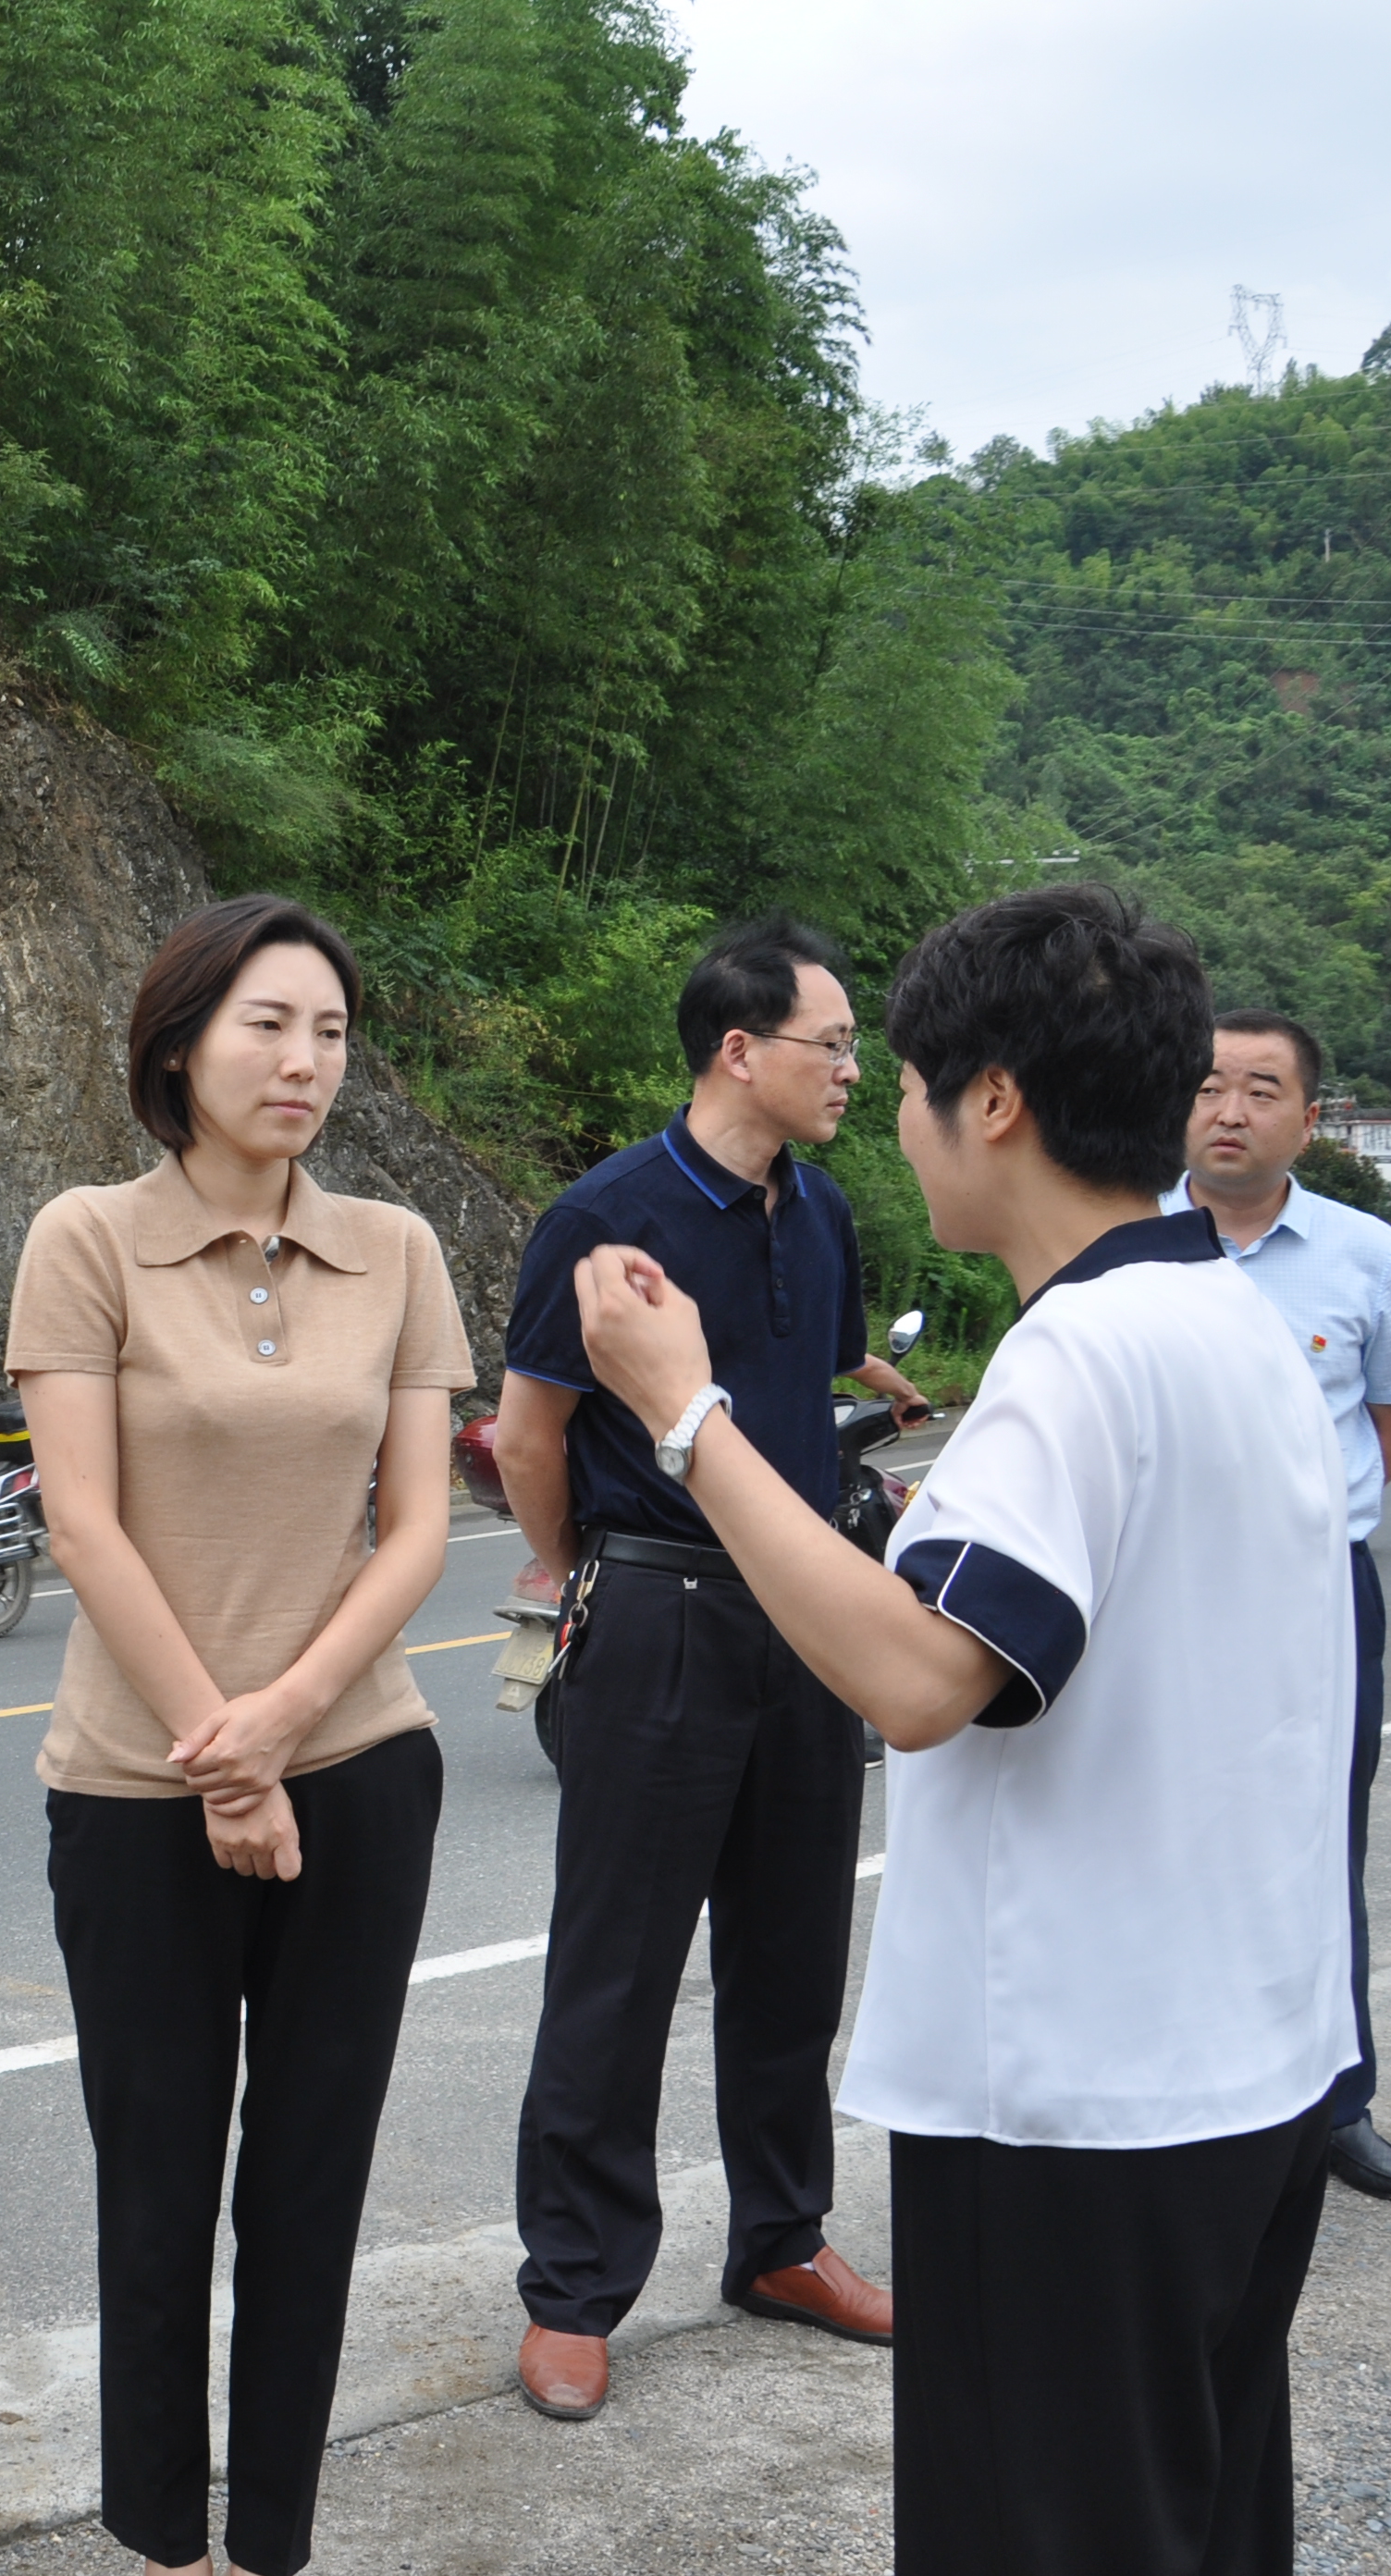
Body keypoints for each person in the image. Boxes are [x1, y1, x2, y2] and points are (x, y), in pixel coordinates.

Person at [570, 882, 1352, 2576]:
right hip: (1252, 2067)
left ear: (990, 1098)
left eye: (913, 1076)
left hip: (1076, 2102)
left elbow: (920, 1678)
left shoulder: (1077, 1352)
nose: (899, 1115)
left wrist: (684, 1414)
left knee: (1042, 2575)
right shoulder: (1232, 1324)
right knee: (1197, 2554)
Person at [6, 894, 474, 2576]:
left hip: (358, 1767)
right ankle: (169, 2561)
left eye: (330, 1032)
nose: (302, 1061)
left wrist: (284, 1724)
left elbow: (420, 1526)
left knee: (308, 2177)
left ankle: (268, 2557)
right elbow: (81, 1517)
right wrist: (222, 1752)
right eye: (267, 1024)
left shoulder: (398, 1249)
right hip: (134, 1788)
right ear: (178, 1044)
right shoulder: (88, 1239)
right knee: (155, 2178)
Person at [488, 914, 927, 2423]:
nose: (853, 1071)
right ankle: (572, 2286)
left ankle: (781, 2236)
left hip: (803, 1606)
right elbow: (525, 1433)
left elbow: (813, 1394)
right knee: (615, 1963)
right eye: (832, 1044)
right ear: (735, 1048)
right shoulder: (602, 1216)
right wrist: (577, 1575)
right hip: (659, 1607)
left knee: (792, 1947)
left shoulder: (817, 1211)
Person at [1173, 1010, 1391, 2204]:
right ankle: (1180, 2101)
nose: (1231, 1110)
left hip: (1320, 1594)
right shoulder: (1129, 1233)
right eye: (1210, 1085)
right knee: (1165, 1838)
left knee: (1319, 1841)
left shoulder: (1365, 1254)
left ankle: (1337, 2105)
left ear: (1308, 1118)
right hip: (1164, 1595)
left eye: (1262, 1089)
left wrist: (1291, 1523)